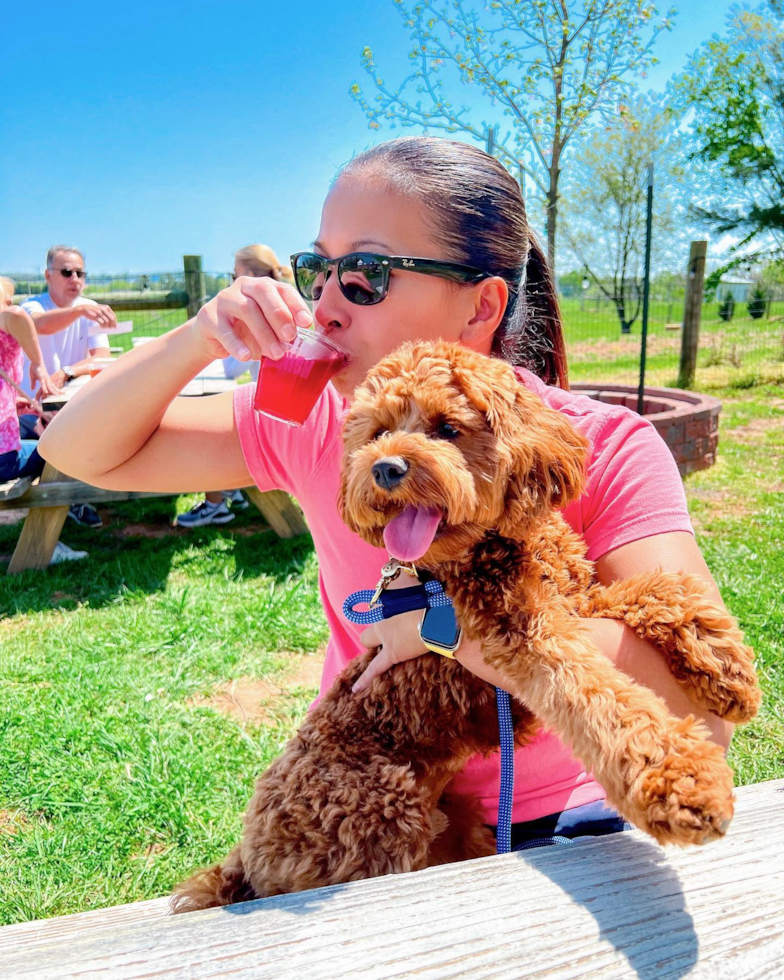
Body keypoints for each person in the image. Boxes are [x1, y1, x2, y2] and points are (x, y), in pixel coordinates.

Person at [38, 137, 735, 848]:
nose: (324, 308)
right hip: (375, 814)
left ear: (481, 306)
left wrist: (450, 629)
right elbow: (75, 449)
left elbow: (704, 714)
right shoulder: (322, 426)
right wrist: (197, 338)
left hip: (577, 816)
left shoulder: (606, 447)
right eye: (318, 271)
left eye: (366, 275)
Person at [176, 245, 293, 529]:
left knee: (203, 430)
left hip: (272, 415)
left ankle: (216, 504)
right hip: (284, 409)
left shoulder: (258, 313)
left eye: (233, 275)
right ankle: (233, 490)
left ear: (248, 276)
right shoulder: (283, 302)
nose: (230, 282)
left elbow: (231, 369)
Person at [20, 245, 114, 530]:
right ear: (48, 275)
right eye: (66, 272)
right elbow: (39, 325)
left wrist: (67, 372)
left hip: (71, 404)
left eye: (80, 273)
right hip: (30, 408)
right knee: (61, 440)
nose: (75, 278)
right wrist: (81, 310)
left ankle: (72, 499)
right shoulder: (32, 306)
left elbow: (101, 357)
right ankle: (66, 503)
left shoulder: (88, 307)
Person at [0, 278, 87, 564]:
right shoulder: (5, 330)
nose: (12, 305)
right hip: (2, 458)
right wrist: (38, 365)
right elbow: (16, 316)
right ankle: (43, 544)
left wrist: (13, 403)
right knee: (57, 450)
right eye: (8, 300)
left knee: (37, 438)